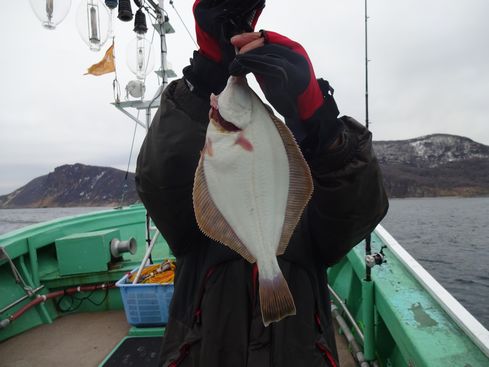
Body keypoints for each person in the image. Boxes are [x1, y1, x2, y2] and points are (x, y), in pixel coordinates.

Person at [135, 1, 389, 366]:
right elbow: (159, 182)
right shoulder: (197, 161)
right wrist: (204, 76)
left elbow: (356, 214)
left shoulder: (306, 183)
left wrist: (322, 125)